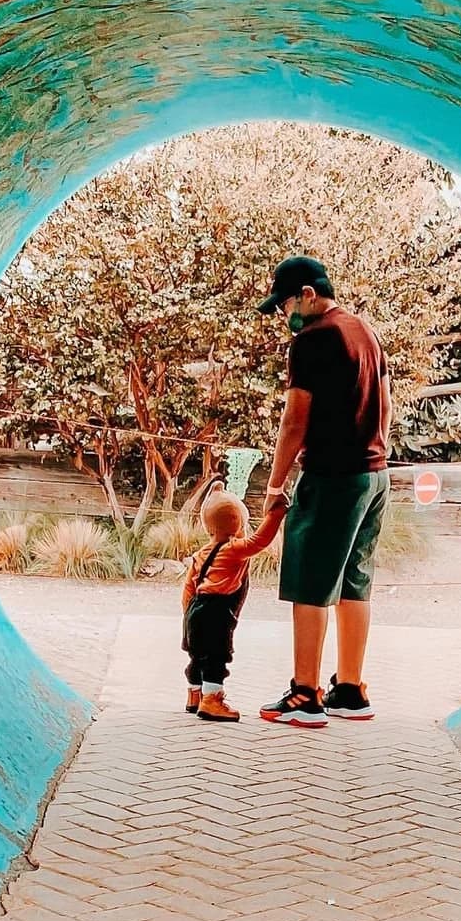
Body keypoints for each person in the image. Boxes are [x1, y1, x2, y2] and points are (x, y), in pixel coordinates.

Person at [255, 256, 391, 727]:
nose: (284, 313)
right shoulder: (365, 331)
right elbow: (386, 407)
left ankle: (305, 695)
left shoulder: (310, 341)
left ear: (309, 294)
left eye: (286, 302)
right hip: (374, 476)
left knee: (310, 583)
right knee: (356, 581)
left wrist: (275, 485)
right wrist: (374, 452)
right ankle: (350, 689)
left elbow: (295, 420)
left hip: (332, 477)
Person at [182, 480, 288, 722]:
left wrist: (187, 615)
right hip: (217, 611)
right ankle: (212, 700)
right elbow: (260, 540)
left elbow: (189, 586)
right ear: (238, 522)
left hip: (196, 608)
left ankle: (194, 695)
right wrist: (276, 514)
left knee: (198, 655)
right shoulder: (234, 548)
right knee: (216, 655)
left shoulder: (202, 553)